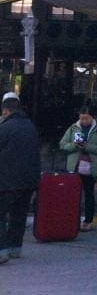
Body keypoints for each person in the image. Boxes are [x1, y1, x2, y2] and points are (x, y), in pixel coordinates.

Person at [0, 95, 40, 263]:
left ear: (6, 110)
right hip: (29, 181)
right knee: (19, 215)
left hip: (7, 181)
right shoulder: (31, 126)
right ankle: (15, 248)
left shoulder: (5, 128)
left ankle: (1, 251)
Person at [59, 106, 97, 231]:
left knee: (89, 194)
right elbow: (62, 144)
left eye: (86, 118)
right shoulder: (73, 128)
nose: (83, 121)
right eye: (81, 118)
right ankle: (72, 219)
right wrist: (74, 145)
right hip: (75, 167)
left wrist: (87, 147)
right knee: (72, 195)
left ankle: (88, 220)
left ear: (92, 117)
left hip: (90, 168)